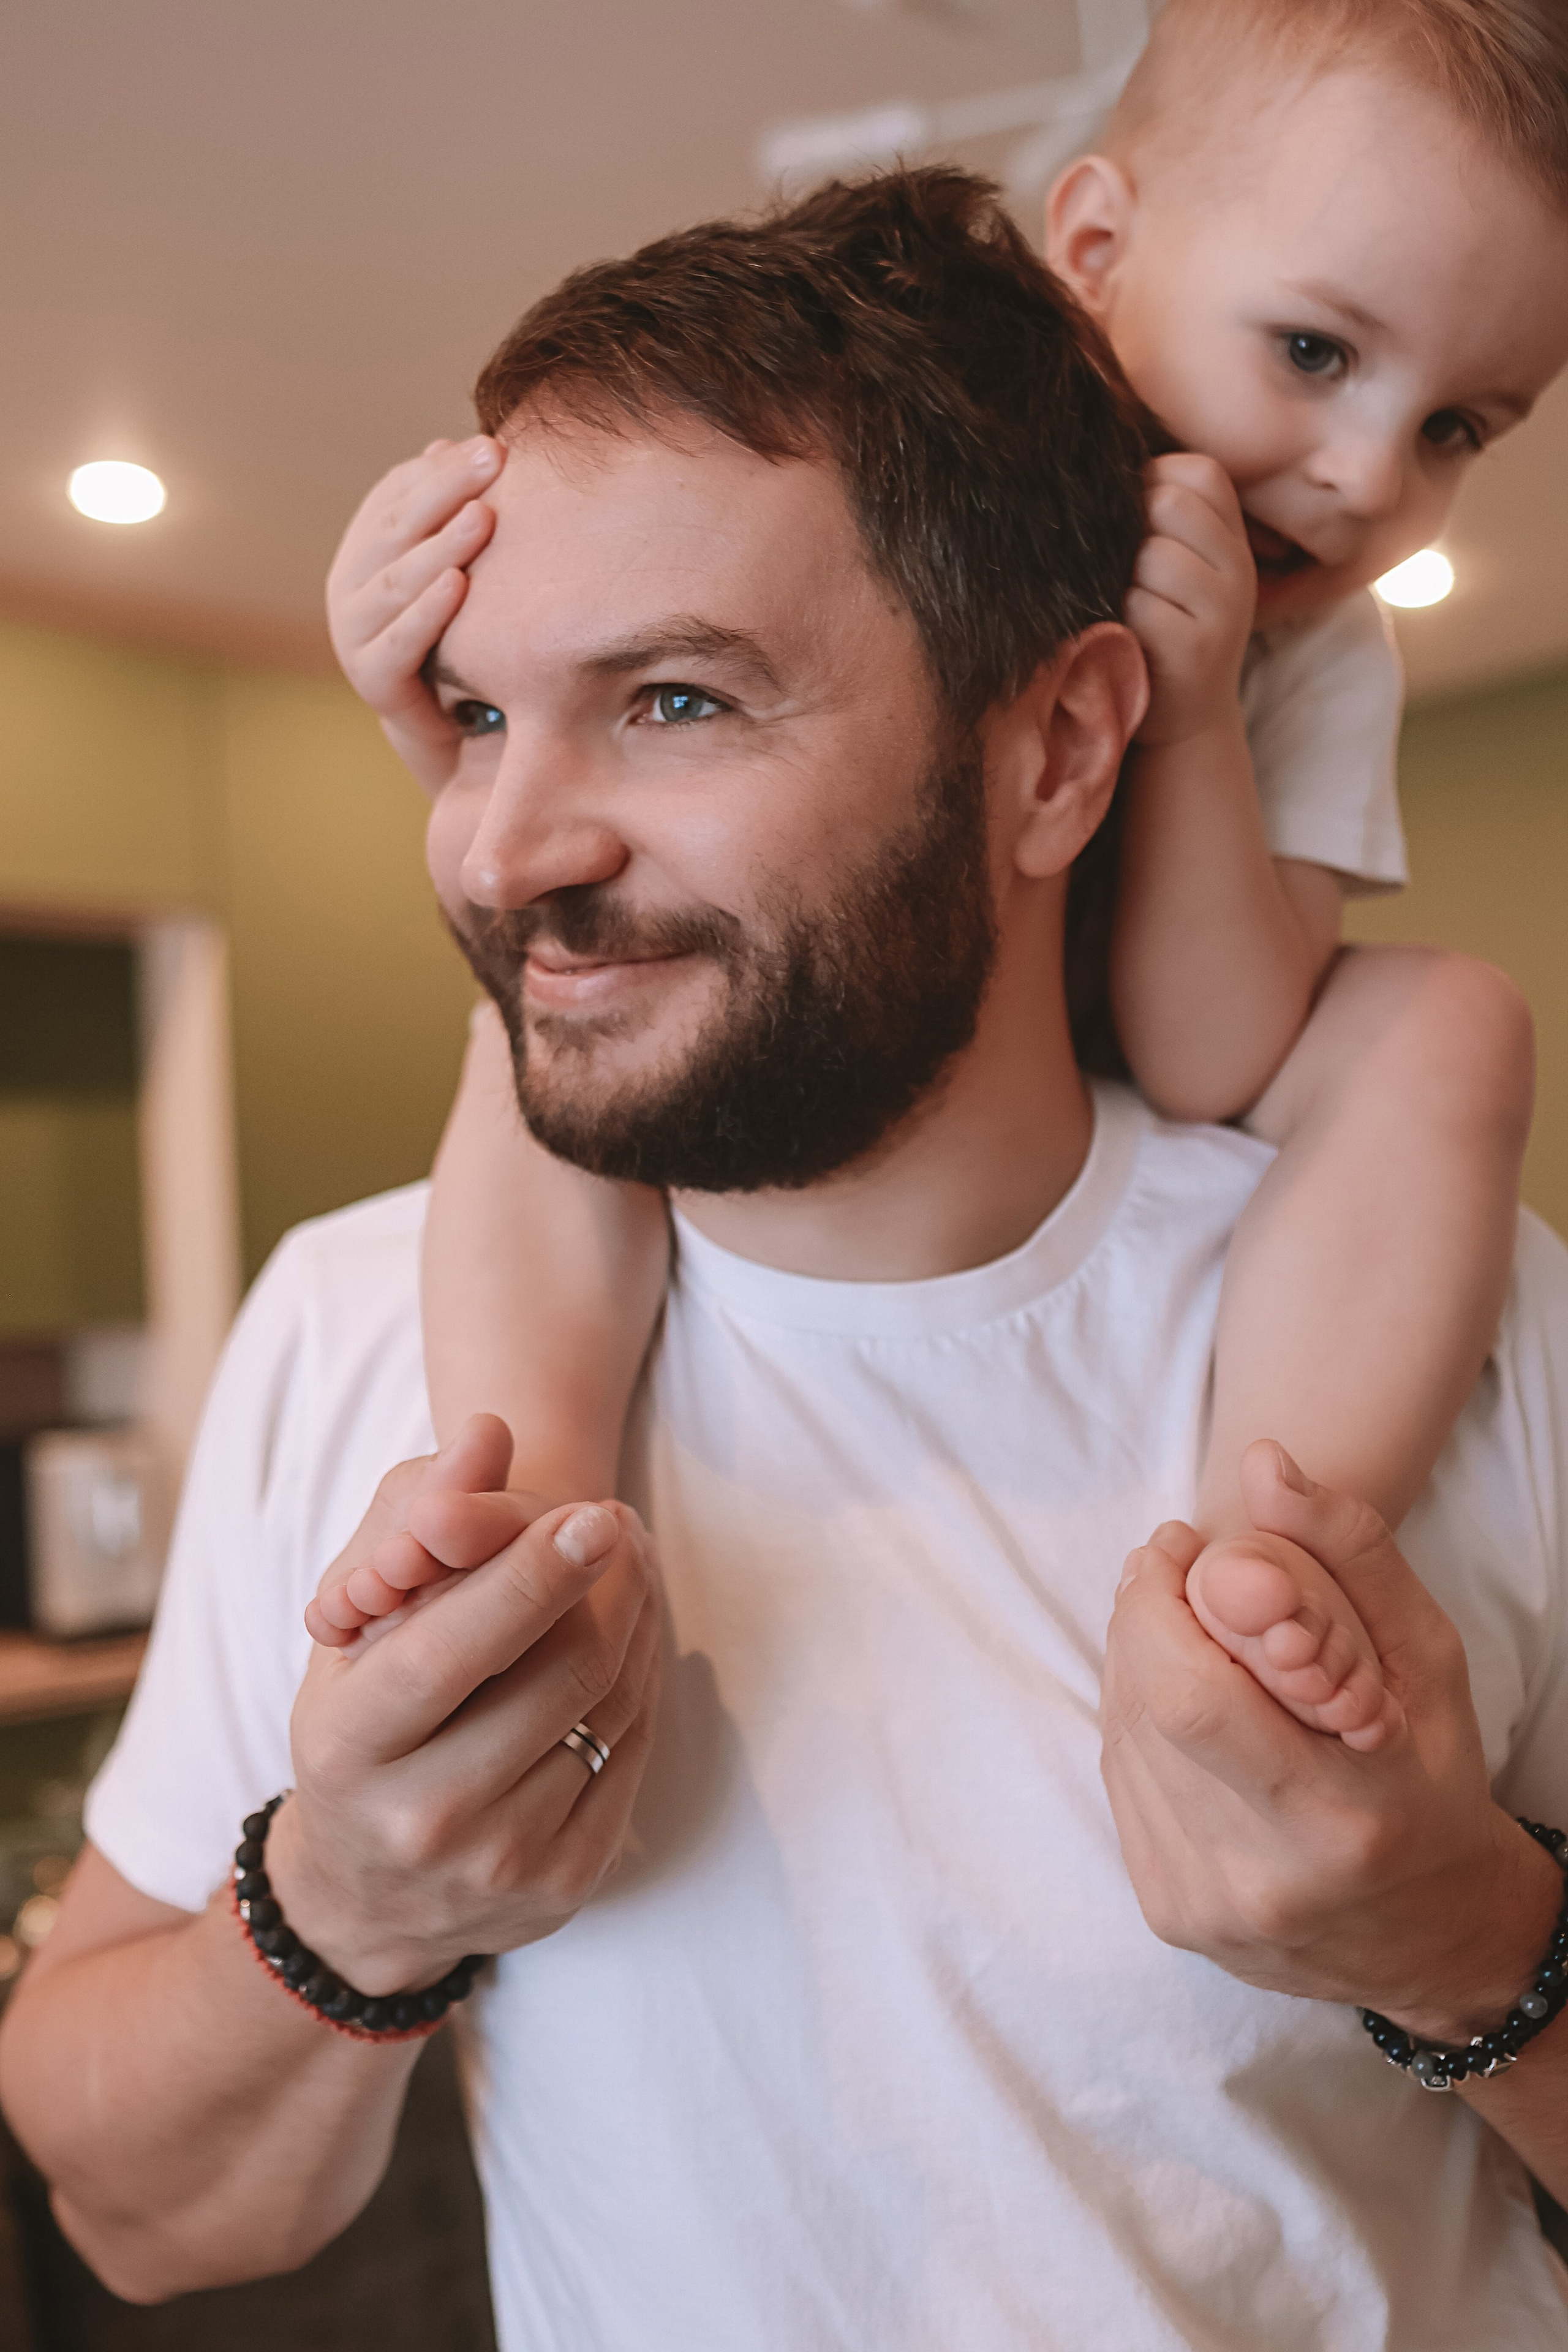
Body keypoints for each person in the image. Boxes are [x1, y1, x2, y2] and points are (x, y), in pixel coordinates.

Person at [6, 167, 1568, 2352]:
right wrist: (346, 1903)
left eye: (675, 702)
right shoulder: (360, 1327)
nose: (505, 846)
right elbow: (138, 2219)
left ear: (1059, 748)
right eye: (474, 713)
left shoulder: (1455, 1324)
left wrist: (1468, 1942)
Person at [310, 0, 1567, 1755]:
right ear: (1101, 247)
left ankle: (1279, 1546)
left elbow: (1218, 1052)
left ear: (1072, 733)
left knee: (1455, 1024)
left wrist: (1194, 722)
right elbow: (621, 849)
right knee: (520, 1046)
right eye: (1314, 352)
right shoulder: (891, 474)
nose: (1367, 475)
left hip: (1132, 1049)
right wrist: (426, 693)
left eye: (1460, 430)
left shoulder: (1322, 653)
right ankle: (522, 1516)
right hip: (863, 1031)